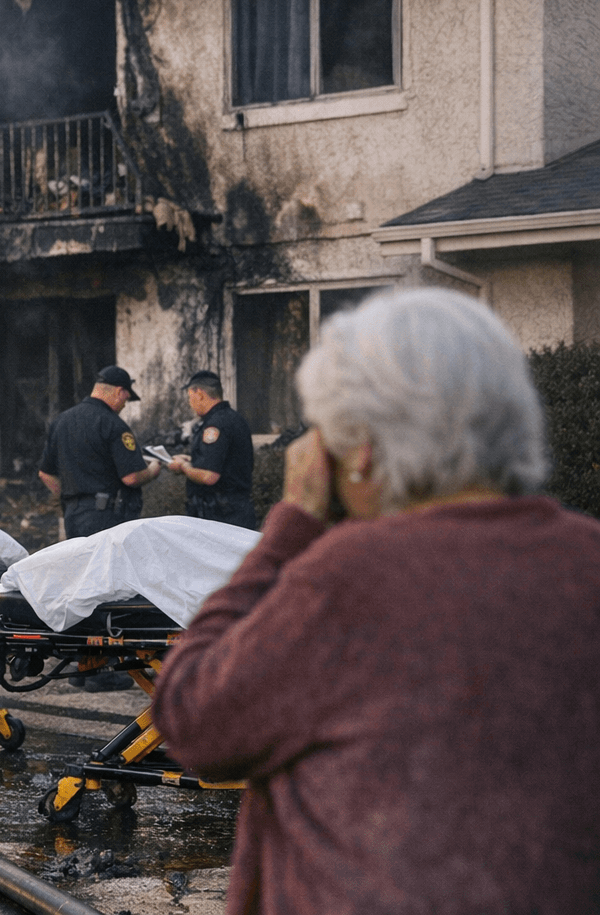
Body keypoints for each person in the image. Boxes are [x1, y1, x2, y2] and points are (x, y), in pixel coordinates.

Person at [153, 288, 600, 914]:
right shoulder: (586, 558)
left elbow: (194, 720)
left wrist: (292, 525)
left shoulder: (350, 577)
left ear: (360, 448)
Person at [38, 365, 162, 539]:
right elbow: (131, 477)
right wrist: (152, 470)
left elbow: (45, 474)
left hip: (72, 518)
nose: (124, 405)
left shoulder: (61, 421)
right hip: (106, 518)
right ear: (120, 391)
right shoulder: (113, 424)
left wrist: (73, 501)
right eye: (126, 399)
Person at [167, 370, 256, 528]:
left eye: (190, 397)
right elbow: (225, 461)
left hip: (221, 515)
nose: (190, 403)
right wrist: (192, 460)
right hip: (234, 511)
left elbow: (209, 476)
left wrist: (183, 466)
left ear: (200, 394)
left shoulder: (215, 425)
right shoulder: (234, 418)